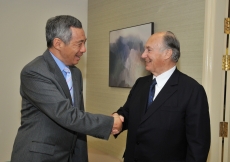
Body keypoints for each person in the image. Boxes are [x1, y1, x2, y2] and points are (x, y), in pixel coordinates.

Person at [11, 15, 122, 162]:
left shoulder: (75, 73)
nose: (84, 49)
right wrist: (109, 123)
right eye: (79, 43)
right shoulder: (34, 72)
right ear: (58, 43)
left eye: (85, 43)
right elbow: (65, 114)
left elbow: (78, 117)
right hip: (38, 156)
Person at [113, 31, 211, 161]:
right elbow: (127, 113)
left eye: (149, 50)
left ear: (167, 53)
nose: (143, 55)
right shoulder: (140, 84)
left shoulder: (192, 91)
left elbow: (198, 146)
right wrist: (117, 118)